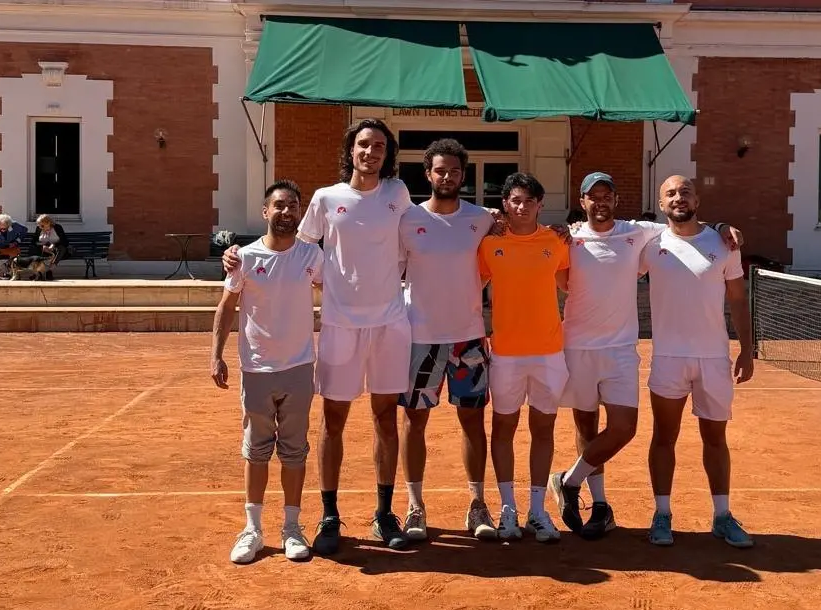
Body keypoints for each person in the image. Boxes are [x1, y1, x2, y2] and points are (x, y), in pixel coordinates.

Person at [225, 119, 413, 553]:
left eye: (379, 146)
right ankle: (329, 516)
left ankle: (385, 514)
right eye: (363, 144)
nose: (370, 152)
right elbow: (292, 244)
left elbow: (424, 229)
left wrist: (489, 219)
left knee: (386, 418)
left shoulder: (398, 193)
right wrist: (239, 254)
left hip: (390, 323)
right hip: (340, 325)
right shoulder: (326, 198)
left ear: (387, 154)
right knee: (333, 420)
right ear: (350, 150)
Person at [548, 172, 744, 540]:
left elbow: (686, 225)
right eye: (593, 196)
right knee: (586, 427)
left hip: (622, 348)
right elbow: (561, 279)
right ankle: (600, 507)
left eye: (607, 195)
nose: (600, 201)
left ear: (616, 200)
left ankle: (568, 480)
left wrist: (722, 226)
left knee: (623, 427)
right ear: (583, 200)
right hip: (577, 345)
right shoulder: (568, 238)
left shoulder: (640, 233)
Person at [210, 179, 323, 564]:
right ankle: (253, 530)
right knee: (256, 451)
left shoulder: (312, 255)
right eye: (279, 205)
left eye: (293, 206)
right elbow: (227, 306)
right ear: (265, 211)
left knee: (294, 451)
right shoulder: (244, 257)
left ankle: (291, 528)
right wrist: (216, 355)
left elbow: (340, 288)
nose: (286, 212)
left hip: (298, 368)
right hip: (257, 369)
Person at [640, 175, 755, 548]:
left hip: (713, 359)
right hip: (668, 359)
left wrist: (747, 349)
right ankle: (662, 514)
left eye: (685, 192)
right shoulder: (649, 243)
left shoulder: (724, 244)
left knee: (715, 439)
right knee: (664, 437)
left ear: (697, 199)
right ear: (661, 204)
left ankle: (722, 517)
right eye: (671, 193)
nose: (679, 198)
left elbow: (737, 299)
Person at [397, 139, 499, 542]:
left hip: (468, 339)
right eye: (440, 170)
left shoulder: (482, 219)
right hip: (420, 339)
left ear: (463, 175)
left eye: (455, 171)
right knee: (413, 421)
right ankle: (414, 506)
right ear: (428, 174)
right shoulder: (407, 220)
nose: (447, 177)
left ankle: (477, 504)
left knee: (473, 421)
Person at [478, 172, 570, 542]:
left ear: (539, 205)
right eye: (515, 200)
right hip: (505, 354)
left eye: (529, 201)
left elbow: (572, 283)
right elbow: (470, 285)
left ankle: (537, 510)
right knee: (503, 428)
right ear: (505, 204)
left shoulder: (557, 241)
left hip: (549, 353)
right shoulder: (489, 244)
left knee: (542, 430)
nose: (522, 207)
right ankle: (507, 509)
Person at [32, 214, 70, 279]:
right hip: (43, 250)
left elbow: (65, 242)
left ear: (48, 223)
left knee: (61, 248)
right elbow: (34, 242)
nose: (40, 227)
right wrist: (42, 246)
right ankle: (40, 272)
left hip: (55, 250)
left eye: (42, 225)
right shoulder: (39, 229)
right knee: (37, 251)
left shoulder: (57, 228)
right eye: (39, 225)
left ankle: (50, 269)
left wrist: (54, 245)